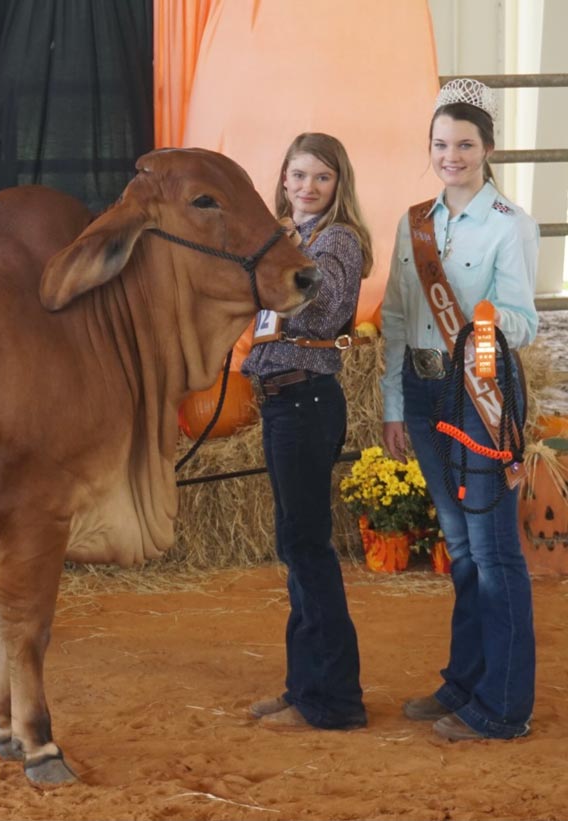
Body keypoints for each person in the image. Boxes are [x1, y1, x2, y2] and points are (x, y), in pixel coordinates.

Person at [381, 78, 538, 741]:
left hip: (478, 392)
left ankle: (504, 707)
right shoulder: (414, 221)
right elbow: (393, 315)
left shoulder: (511, 225)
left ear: (488, 148)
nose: (452, 155)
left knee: (494, 551)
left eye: (465, 144)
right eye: (441, 144)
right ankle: (465, 680)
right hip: (421, 392)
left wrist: (483, 317)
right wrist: (392, 403)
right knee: (461, 549)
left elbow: (525, 322)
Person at [241, 133, 373, 731]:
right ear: (284, 179)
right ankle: (305, 686)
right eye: (298, 176)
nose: (307, 188)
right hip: (281, 399)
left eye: (321, 178)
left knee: (309, 548)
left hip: (306, 397)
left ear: (338, 184)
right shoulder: (286, 239)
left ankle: (334, 700)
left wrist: (271, 277)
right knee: (296, 546)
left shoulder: (337, 239)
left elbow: (321, 310)